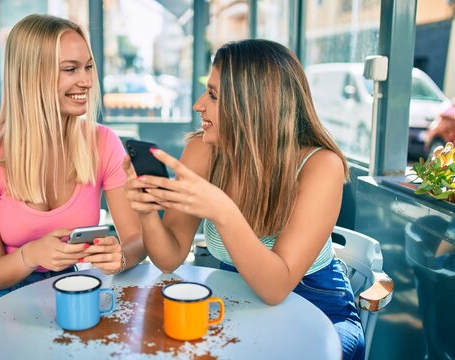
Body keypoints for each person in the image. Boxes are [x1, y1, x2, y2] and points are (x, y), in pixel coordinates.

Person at [123, 39, 365, 360]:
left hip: (318, 303)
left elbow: (276, 288)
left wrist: (223, 210)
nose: (198, 104)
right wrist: (147, 210)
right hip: (234, 296)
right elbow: (169, 258)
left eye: (212, 95)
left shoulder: (320, 165)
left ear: (252, 105)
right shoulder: (203, 149)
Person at [0, 14, 146, 359]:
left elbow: (137, 240)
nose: (86, 81)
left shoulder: (103, 143)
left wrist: (120, 255)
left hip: (64, 287)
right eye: (70, 69)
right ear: (32, 75)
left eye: (88, 67)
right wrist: (30, 254)